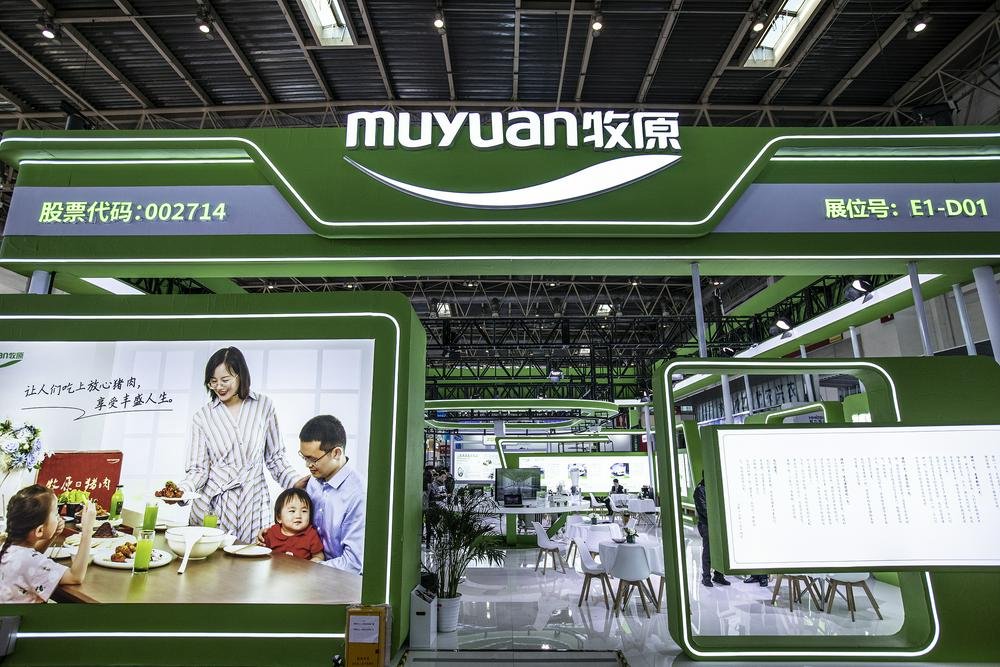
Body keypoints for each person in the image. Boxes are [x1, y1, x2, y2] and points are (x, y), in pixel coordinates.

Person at [181, 346, 301, 544]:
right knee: (211, 561)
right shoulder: (202, 417)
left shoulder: (264, 406)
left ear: (240, 375)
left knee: (253, 558)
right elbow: (198, 469)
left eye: (225, 380)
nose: (219, 386)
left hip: (253, 504)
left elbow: (275, 458)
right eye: (213, 381)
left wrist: (296, 482)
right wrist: (182, 490)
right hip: (213, 505)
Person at [263, 414, 366, 575]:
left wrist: (308, 569)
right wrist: (271, 534)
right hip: (302, 572)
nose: (307, 465)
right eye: (304, 457)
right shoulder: (313, 481)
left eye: (313, 459)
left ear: (336, 453)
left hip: (338, 580)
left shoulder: (358, 495)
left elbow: (353, 563)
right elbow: (299, 523)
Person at [0, 485, 97, 603]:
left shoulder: (7, 548)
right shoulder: (32, 562)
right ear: (40, 530)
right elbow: (75, 577)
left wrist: (52, 534)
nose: (59, 517)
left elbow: (32, 557)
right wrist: (87, 530)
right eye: (55, 513)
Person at [263, 488, 325, 562]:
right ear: (279, 518)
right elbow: (262, 552)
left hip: (302, 569)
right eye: (292, 511)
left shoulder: (311, 534)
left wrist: (311, 564)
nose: (298, 515)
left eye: (304, 511)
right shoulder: (271, 533)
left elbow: (319, 556)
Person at [694, 477, 729, 588]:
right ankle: (706, 577)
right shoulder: (700, 490)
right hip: (706, 524)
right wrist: (715, 518)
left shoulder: (715, 488)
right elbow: (703, 509)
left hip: (718, 524)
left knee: (720, 550)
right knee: (708, 551)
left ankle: (719, 575)